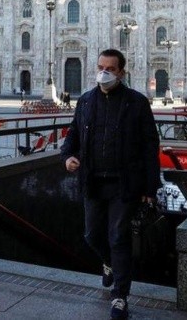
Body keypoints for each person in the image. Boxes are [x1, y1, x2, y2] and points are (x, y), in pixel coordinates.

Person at [60, 49, 161, 320]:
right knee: (92, 235)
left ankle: (120, 296)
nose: (104, 72)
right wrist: (68, 156)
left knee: (118, 235)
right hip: (93, 180)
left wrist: (151, 189)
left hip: (125, 184)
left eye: (110, 68)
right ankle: (109, 263)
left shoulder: (137, 103)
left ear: (121, 72)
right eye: (101, 67)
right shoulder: (86, 101)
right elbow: (72, 137)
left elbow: (151, 147)